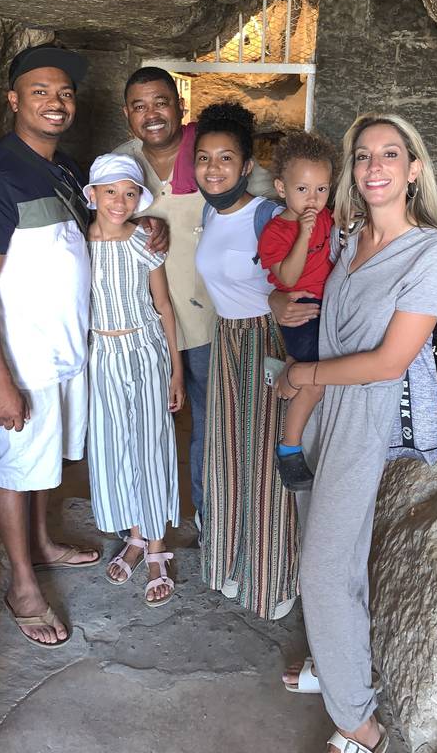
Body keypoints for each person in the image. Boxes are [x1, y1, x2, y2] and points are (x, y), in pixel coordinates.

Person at [275, 114, 437, 753]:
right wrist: (299, 398)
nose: (373, 166)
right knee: (333, 555)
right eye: (361, 156)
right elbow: (304, 303)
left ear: (413, 169)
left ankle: (360, 721)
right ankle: (335, 660)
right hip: (321, 407)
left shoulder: (433, 253)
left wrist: (302, 373)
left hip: (363, 414)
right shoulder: (349, 241)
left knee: (323, 568)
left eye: (390, 154)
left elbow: (388, 362)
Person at [0, 45, 100, 649]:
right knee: (17, 469)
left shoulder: (64, 168)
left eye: (64, 92)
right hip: (23, 362)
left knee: (46, 462)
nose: (55, 102)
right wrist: (0, 378)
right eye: (40, 91)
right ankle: (22, 585)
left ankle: (40, 544)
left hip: (64, 352)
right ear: (14, 100)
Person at [114, 68, 276, 528]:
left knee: (211, 423)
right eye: (140, 105)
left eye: (161, 102)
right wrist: (132, 225)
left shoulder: (210, 154)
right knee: (143, 424)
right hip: (146, 322)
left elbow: (265, 203)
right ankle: (145, 527)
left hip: (211, 319)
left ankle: (210, 519)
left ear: (179, 105)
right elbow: (100, 223)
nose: (152, 114)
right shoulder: (121, 163)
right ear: (127, 114)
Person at [194, 102, 298, 620]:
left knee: (266, 463)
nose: (214, 169)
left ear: (246, 166)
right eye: (205, 158)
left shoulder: (269, 217)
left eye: (226, 158)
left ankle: (274, 578)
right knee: (228, 460)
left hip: (266, 344)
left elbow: (306, 282)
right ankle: (233, 564)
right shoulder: (211, 211)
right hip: (228, 341)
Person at [84, 153, 184, 608]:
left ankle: (157, 545)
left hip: (145, 351)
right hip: (102, 354)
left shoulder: (145, 241)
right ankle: (136, 535)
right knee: (114, 444)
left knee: (152, 442)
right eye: (110, 192)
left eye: (129, 193)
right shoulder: (78, 244)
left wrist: (176, 370)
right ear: (92, 195)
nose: (119, 202)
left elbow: (163, 305)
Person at [257, 130, 337, 491]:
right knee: (317, 382)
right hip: (301, 307)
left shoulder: (328, 217)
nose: (313, 199)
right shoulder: (275, 231)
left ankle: (289, 369)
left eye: (321, 189)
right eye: (303, 189)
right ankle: (289, 449)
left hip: (328, 307)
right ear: (281, 188)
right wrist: (303, 235)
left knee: (323, 370)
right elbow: (287, 276)